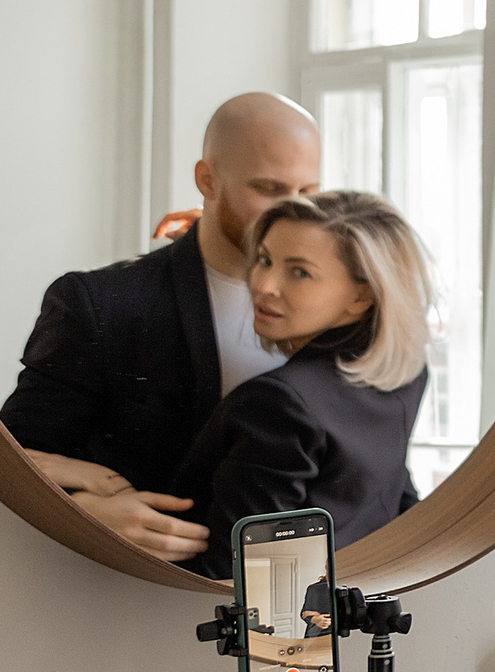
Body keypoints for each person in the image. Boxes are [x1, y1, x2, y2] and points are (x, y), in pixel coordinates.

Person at [0, 93, 322, 558]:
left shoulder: (337, 302)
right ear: (207, 180)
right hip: (142, 596)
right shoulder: (100, 304)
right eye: (270, 189)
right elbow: (6, 462)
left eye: (308, 193)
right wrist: (84, 515)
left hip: (296, 604)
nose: (292, 213)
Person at [172, 190, 431, 585]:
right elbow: (388, 497)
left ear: (361, 296)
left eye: (299, 272)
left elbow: (238, 579)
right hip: (346, 614)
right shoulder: (406, 375)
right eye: (264, 260)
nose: (263, 285)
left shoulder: (278, 403)